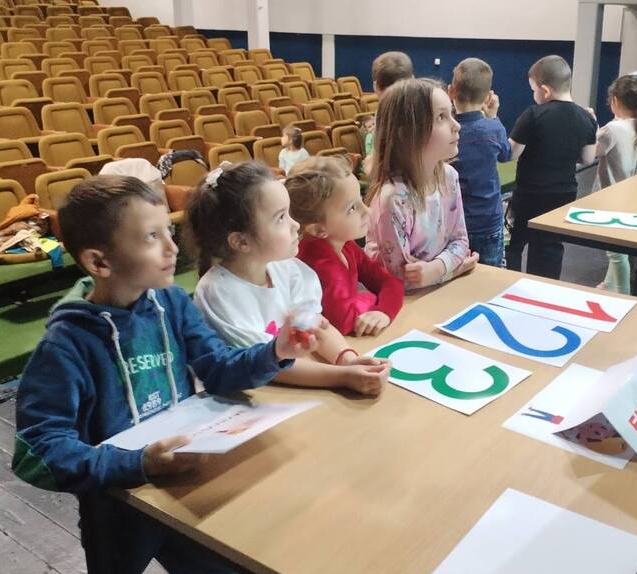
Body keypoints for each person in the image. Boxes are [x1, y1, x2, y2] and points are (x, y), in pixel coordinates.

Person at [11, 175, 310, 574]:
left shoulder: (171, 302)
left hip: (180, 484)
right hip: (116, 504)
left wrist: (274, 352)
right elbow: (36, 450)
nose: (172, 248)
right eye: (152, 237)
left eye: (168, 231)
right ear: (99, 261)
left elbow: (217, 366)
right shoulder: (66, 344)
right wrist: (135, 463)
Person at [188, 162, 389, 395]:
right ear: (241, 241)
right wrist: (343, 377)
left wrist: (348, 360)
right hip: (258, 399)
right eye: (281, 217)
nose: (295, 225)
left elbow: (317, 326)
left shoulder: (288, 270)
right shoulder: (218, 294)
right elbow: (272, 365)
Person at [365, 78, 479, 291]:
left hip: (438, 292)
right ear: (406, 134)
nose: (457, 125)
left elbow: (461, 242)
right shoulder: (393, 199)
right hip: (404, 302)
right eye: (441, 117)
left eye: (452, 114)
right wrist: (454, 269)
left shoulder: (449, 177)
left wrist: (438, 268)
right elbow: (401, 279)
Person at [286, 156, 404, 336]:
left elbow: (389, 281)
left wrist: (383, 311)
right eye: (352, 208)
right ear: (318, 229)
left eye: (361, 199)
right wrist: (372, 298)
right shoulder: (319, 260)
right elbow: (345, 321)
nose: (367, 210)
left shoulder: (345, 244)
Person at [505, 55, 597, 279]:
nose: (533, 95)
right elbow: (588, 158)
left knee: (514, 243)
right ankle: (544, 288)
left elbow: (511, 153)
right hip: (563, 193)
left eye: (533, 90)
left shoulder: (533, 114)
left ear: (545, 90)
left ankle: (509, 284)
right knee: (550, 246)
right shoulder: (587, 117)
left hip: (530, 193)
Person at [594, 75, 637, 294]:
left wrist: (591, 124)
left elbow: (591, 151)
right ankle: (609, 284)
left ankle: (623, 293)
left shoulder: (612, 129)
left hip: (611, 197)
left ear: (615, 101)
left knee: (616, 253)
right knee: (619, 247)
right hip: (631, 195)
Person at [448, 57, 511, 267]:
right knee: (492, 273)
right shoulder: (493, 128)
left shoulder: (447, 131)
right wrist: (493, 117)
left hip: (455, 220)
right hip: (488, 219)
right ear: (488, 97)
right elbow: (506, 155)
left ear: (450, 92)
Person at [362, 50, 415, 176]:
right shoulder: (426, 117)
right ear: (413, 80)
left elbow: (373, 170)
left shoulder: (375, 131)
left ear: (375, 86)